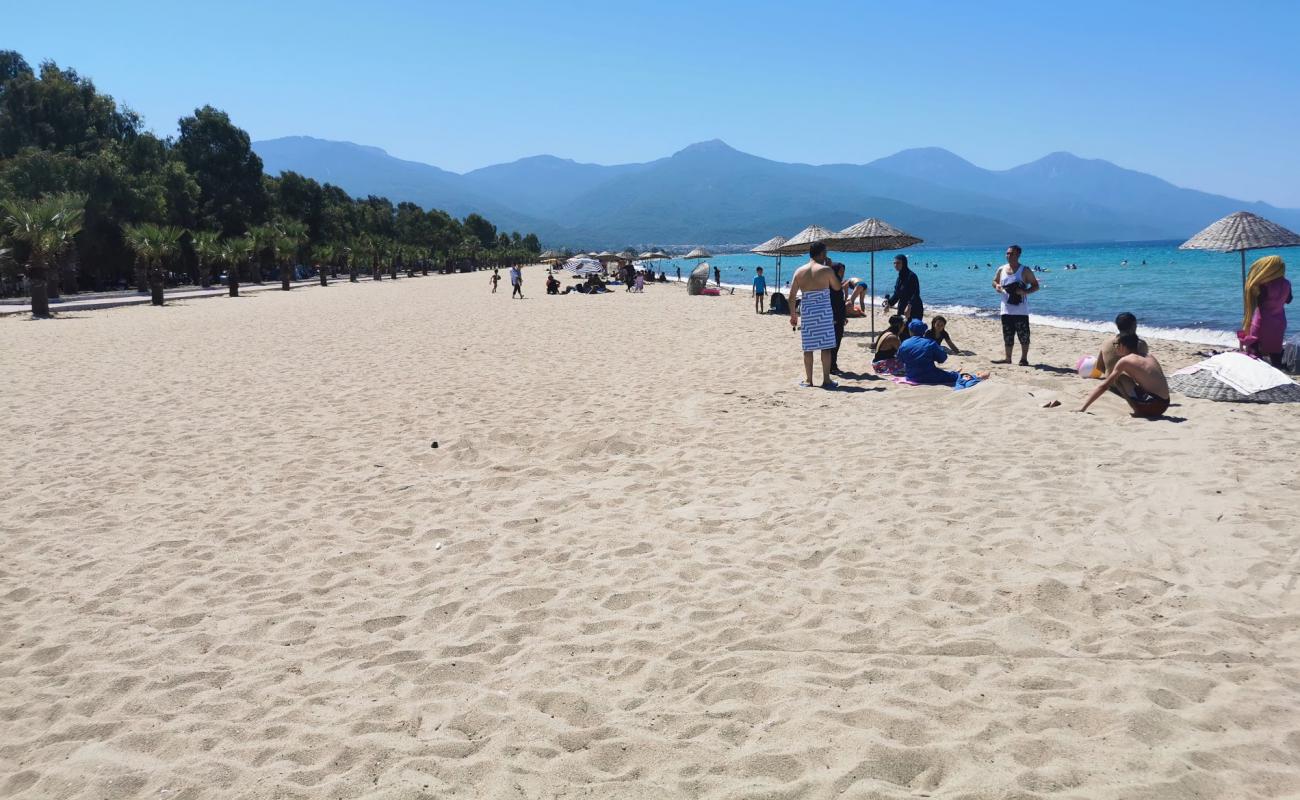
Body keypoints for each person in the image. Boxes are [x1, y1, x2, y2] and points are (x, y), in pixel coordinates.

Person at [788, 242, 842, 388]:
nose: (826, 256)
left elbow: (792, 296)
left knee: (808, 348)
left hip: (808, 313)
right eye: (825, 253)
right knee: (826, 347)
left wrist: (793, 315)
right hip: (823, 313)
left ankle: (809, 380)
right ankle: (826, 379)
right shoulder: (826, 270)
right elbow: (837, 287)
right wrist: (830, 268)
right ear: (821, 254)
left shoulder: (799, 271)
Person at [1078, 333, 1169, 418]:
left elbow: (1104, 386)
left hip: (1153, 407)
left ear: (1123, 346)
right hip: (1165, 404)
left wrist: (1083, 407)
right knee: (1127, 378)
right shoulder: (1149, 356)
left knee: (1119, 378)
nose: (1115, 348)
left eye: (1116, 345)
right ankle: (1141, 407)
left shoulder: (1125, 361)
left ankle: (1138, 412)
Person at [897, 320, 986, 387]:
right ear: (923, 331)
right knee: (955, 376)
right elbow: (942, 359)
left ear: (910, 331)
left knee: (947, 374)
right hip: (930, 376)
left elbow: (900, 359)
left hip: (911, 376)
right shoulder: (930, 343)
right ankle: (975, 376)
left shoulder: (904, 343)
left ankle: (953, 373)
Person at [1239, 255, 1291, 367]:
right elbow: (1288, 300)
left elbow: (1258, 302)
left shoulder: (1264, 285)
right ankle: (1277, 370)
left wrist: (1251, 287)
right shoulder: (1287, 283)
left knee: (1255, 348)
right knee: (1275, 349)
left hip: (1262, 321)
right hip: (1279, 321)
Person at [992, 244, 1039, 365]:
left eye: (1011, 253)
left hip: (1020, 310)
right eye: (1007, 253)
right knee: (1008, 335)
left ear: (1018, 255)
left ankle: (1024, 359)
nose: (1008, 255)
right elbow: (994, 281)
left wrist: (1025, 292)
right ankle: (1008, 358)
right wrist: (996, 286)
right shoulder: (1001, 269)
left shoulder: (1025, 270)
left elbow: (1036, 286)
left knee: (1023, 336)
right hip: (1005, 309)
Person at [1095, 312, 1149, 396]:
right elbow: (1144, 369)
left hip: (1110, 385)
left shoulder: (1106, 343)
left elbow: (1099, 367)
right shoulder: (1140, 344)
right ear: (1133, 326)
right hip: (1128, 387)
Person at [882, 254, 923, 321]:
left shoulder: (912, 276)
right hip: (902, 306)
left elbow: (916, 293)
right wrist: (889, 304)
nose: (895, 265)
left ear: (904, 263)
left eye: (898, 263)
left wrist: (909, 306)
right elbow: (897, 294)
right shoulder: (900, 277)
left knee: (913, 329)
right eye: (894, 263)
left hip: (914, 307)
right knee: (901, 329)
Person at [829, 262, 847, 374]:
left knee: (837, 342)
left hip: (839, 316)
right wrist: (835, 317)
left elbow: (841, 303)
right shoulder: (833, 284)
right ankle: (832, 366)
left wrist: (844, 316)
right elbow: (833, 303)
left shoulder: (837, 283)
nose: (843, 273)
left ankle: (833, 365)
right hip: (834, 317)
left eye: (843, 271)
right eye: (841, 271)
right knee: (834, 342)